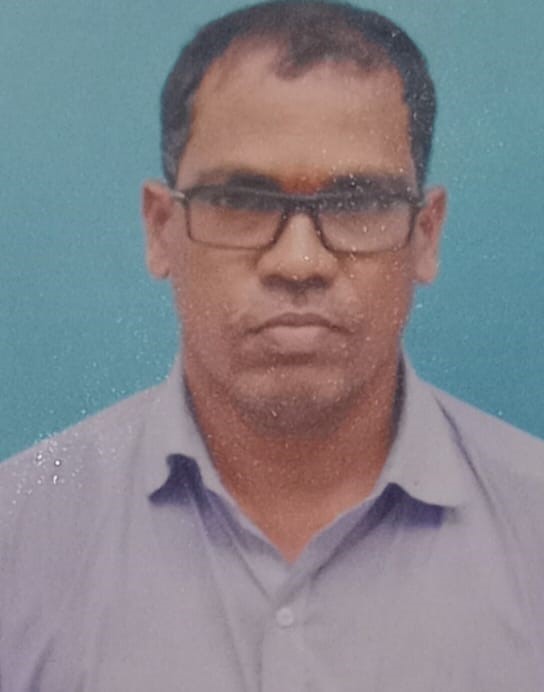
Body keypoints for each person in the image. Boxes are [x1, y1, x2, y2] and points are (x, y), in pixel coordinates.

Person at [1, 1, 543, 689]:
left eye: (356, 202)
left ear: (426, 235)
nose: (299, 262)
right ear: (162, 229)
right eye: (242, 200)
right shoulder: (18, 539)